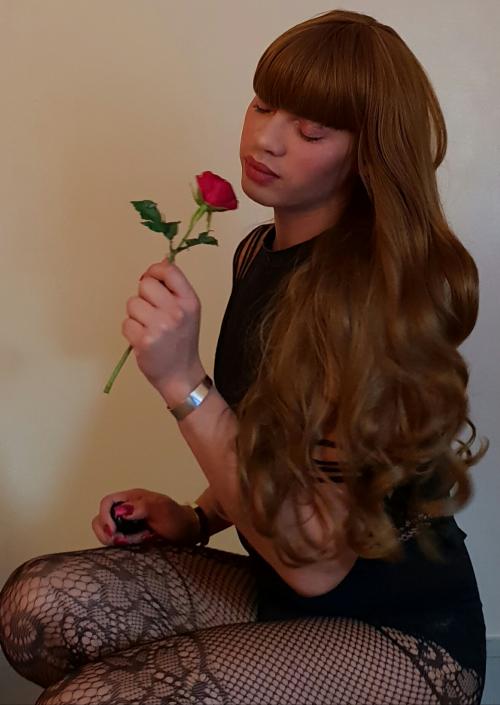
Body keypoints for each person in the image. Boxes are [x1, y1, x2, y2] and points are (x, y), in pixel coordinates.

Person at [0, 8, 490, 705]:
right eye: (263, 104)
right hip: (281, 590)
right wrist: (197, 518)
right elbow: (275, 440)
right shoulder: (258, 251)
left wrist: (182, 380)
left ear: (367, 155)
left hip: (397, 632)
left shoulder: (366, 299)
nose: (266, 138)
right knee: (36, 606)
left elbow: (317, 564)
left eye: (311, 131)